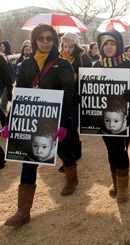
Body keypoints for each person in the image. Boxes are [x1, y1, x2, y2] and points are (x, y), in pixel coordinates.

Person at [2, 24, 77, 227]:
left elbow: (69, 95)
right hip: (32, 120)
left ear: (55, 41)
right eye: (41, 38)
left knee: (63, 151)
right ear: (35, 40)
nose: (45, 41)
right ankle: (23, 210)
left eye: (49, 38)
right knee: (30, 158)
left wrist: (64, 124)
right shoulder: (27, 65)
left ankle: (72, 175)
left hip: (55, 120)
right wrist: (11, 122)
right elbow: (20, 95)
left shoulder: (63, 65)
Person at [93, 29, 130, 202]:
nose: (109, 47)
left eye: (112, 44)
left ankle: (124, 187)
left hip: (125, 117)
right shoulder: (97, 66)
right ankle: (115, 181)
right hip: (104, 116)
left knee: (121, 149)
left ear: (119, 45)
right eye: (105, 45)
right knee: (110, 149)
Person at [59, 32, 92, 168]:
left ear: (76, 46)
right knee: (66, 128)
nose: (68, 49)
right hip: (62, 98)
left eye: (71, 47)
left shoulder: (84, 59)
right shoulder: (58, 59)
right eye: (65, 46)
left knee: (72, 127)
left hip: (77, 99)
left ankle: (71, 157)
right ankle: (76, 150)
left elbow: (89, 80)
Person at [0, 40, 14, 113]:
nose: (1, 48)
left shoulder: (2, 58)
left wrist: (9, 90)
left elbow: (7, 75)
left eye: (3, 46)